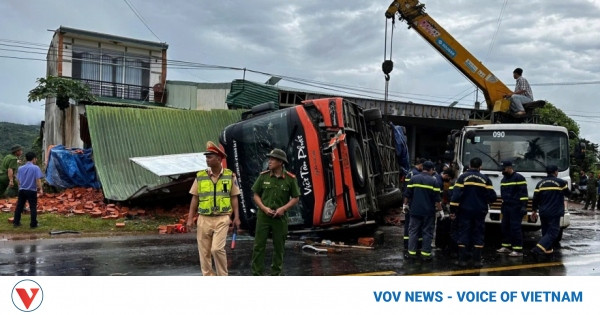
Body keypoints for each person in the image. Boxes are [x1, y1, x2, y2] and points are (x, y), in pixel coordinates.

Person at [186, 141, 241, 276]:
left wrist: (236, 217)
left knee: (216, 249)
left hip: (222, 218)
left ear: (219, 158)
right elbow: (195, 198)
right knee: (204, 252)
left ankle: (223, 276)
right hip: (204, 218)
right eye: (206, 157)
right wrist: (190, 218)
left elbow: (234, 197)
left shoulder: (230, 176)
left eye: (210, 157)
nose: (207, 160)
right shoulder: (200, 176)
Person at [251, 148, 300, 276]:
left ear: (280, 162)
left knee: (279, 247)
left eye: (273, 159)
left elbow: (296, 197)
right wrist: (263, 208)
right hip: (264, 216)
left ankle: (276, 274)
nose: (270, 161)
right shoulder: (263, 176)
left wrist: (283, 208)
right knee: (258, 246)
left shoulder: (290, 179)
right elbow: (255, 195)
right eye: (270, 159)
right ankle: (256, 274)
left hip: (280, 218)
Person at [450, 157, 497, 267]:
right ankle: (477, 261)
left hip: (464, 211)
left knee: (464, 233)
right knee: (478, 234)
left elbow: (456, 196)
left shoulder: (462, 178)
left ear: (470, 165)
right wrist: (485, 201)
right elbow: (492, 197)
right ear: (480, 166)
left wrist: (453, 211)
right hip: (480, 211)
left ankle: (462, 260)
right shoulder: (485, 179)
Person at [403, 161, 442, 261]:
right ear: (431, 169)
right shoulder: (434, 181)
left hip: (415, 211)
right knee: (427, 232)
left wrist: (405, 205)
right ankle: (425, 254)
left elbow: (407, 194)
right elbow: (437, 199)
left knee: (413, 231)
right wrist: (440, 210)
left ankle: (411, 253)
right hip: (428, 213)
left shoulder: (414, 178)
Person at [531, 165, 570, 259]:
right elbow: (568, 194)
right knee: (553, 232)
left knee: (545, 231)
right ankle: (538, 249)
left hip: (543, 211)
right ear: (556, 172)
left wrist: (534, 210)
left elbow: (535, 198)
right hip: (554, 212)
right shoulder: (561, 182)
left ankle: (548, 250)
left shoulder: (540, 183)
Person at [496, 161, 528, 257]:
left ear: (510, 168)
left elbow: (523, 193)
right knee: (505, 226)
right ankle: (506, 246)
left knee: (515, 228)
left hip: (516, 207)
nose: (503, 171)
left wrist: (523, 206)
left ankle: (518, 249)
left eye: (504, 169)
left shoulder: (519, 178)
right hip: (506, 206)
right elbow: (503, 194)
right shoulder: (504, 180)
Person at [13, 152, 44, 228]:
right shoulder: (35, 168)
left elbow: (19, 180)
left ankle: (16, 222)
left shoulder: (20, 168)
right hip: (31, 190)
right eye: (35, 158)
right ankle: (33, 224)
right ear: (33, 159)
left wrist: (20, 188)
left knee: (19, 206)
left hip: (22, 190)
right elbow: (38, 180)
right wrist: (40, 189)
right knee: (33, 207)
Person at [402, 158, 426, 253]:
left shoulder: (410, 173)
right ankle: (417, 245)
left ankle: (406, 244)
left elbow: (406, 190)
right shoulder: (417, 175)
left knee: (408, 224)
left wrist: (405, 203)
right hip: (414, 203)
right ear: (420, 165)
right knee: (416, 226)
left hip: (408, 201)